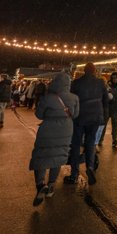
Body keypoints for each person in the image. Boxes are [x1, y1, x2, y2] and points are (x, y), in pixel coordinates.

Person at [29, 73, 79, 206]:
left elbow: (39, 115)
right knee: (58, 156)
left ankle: (40, 185)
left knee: (42, 156)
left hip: (48, 128)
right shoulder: (74, 98)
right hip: (66, 129)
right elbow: (76, 114)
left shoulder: (48, 98)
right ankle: (51, 186)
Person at [66, 62, 108, 185]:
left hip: (79, 117)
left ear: (84, 70)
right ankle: (90, 166)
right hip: (95, 117)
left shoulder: (76, 83)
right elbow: (105, 101)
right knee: (90, 143)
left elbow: (71, 100)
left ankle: (74, 174)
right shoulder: (100, 83)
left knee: (76, 144)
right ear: (94, 71)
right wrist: (104, 118)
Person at [100, 72, 117, 147]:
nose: (114, 79)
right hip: (107, 108)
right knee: (103, 125)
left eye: (116, 78)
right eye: (113, 78)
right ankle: (100, 140)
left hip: (115, 109)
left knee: (115, 125)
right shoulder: (107, 86)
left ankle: (114, 140)